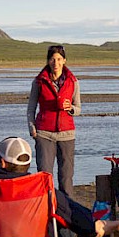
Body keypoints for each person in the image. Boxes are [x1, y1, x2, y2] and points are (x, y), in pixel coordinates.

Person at [0, 137, 119, 237]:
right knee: (70, 215)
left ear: (2, 163)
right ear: (27, 164)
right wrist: (93, 227)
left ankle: (101, 226)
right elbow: (77, 218)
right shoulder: (40, 188)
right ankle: (104, 226)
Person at [27, 45, 81, 198]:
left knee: (66, 177)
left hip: (67, 134)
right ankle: (46, 210)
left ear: (64, 60)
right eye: (52, 59)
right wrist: (32, 127)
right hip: (44, 134)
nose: (55, 63)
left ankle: (68, 212)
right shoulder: (39, 82)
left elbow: (78, 109)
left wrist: (70, 108)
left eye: (58, 59)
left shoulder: (73, 81)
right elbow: (31, 108)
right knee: (44, 176)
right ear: (48, 61)